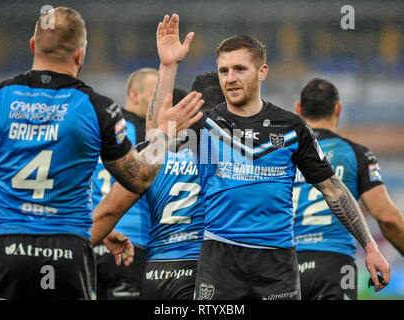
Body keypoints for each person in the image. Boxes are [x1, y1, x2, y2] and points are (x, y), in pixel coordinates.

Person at [146, 13, 391, 300]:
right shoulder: (205, 125)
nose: (230, 78)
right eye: (223, 71)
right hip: (220, 263)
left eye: (239, 69)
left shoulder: (291, 127)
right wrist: (168, 65)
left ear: (262, 71)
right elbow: (154, 138)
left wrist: (370, 247)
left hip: (277, 267)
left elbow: (333, 189)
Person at [0, 7, 203, 300]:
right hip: (67, 250)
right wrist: (164, 137)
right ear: (80, 54)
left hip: (4, 249)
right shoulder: (97, 108)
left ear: (32, 46)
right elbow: (139, 178)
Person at [92, 78, 225, 300]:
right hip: (200, 268)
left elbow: (108, 211)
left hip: (156, 270)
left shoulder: (152, 151)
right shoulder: (233, 150)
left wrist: (65, 249)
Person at [293, 78, 404, 300]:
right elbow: (387, 218)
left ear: (298, 109)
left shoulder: (283, 153)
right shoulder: (355, 154)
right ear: (338, 109)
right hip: (333, 263)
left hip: (285, 265)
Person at [93, 68, 158, 300]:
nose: (159, 105)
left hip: (93, 238)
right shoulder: (147, 136)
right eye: (155, 97)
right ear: (133, 96)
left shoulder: (99, 127)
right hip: (131, 246)